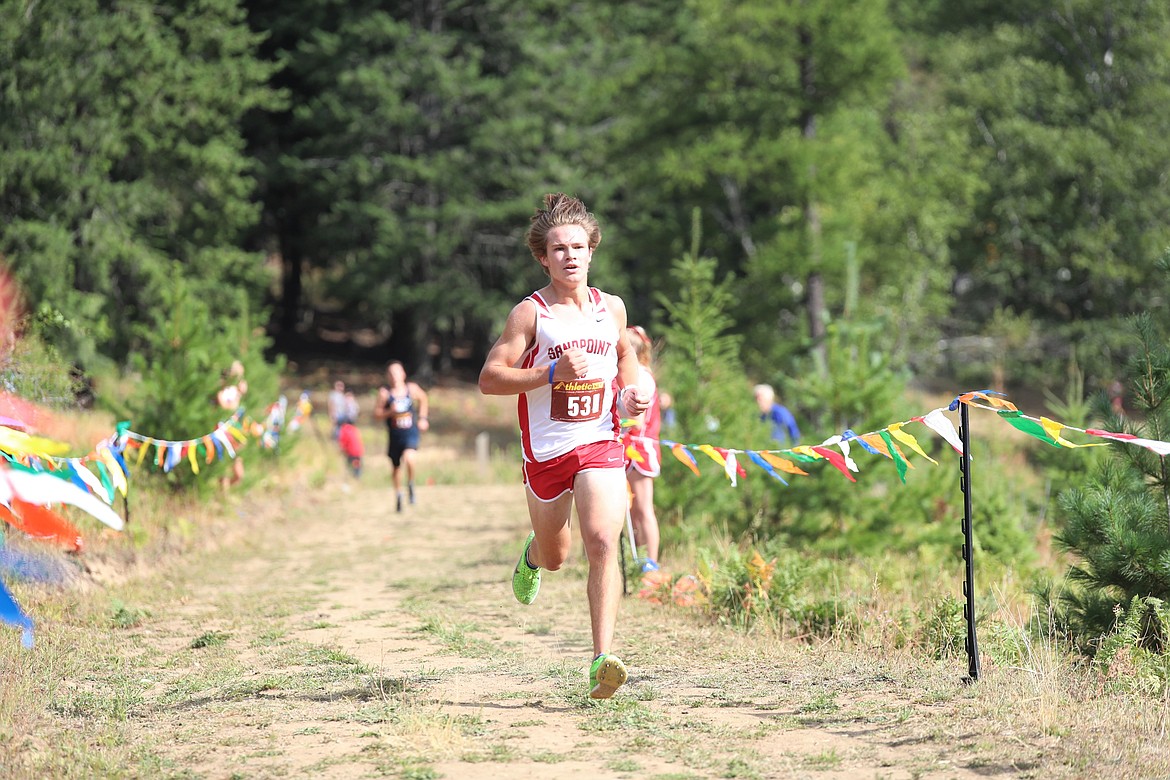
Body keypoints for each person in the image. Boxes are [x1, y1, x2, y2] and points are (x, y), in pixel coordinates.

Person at [478, 192, 649, 700]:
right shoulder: (530, 315)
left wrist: (636, 391)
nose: (570, 256)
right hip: (547, 453)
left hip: (599, 439)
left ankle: (602, 660)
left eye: (578, 246)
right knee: (558, 554)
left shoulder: (611, 309)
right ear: (543, 257)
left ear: (592, 251)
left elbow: (628, 356)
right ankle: (533, 554)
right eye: (559, 249)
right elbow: (489, 378)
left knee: (602, 540)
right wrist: (549, 372)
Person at [623, 326, 663, 572]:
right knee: (632, 509)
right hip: (628, 449)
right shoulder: (632, 374)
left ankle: (651, 564)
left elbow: (635, 420)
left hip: (639, 448)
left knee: (644, 508)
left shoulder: (640, 375)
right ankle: (637, 560)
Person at [374, 361, 429, 512]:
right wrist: (389, 412)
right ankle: (398, 494)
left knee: (410, 459)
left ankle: (411, 483)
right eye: (391, 373)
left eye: (397, 372)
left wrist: (423, 418)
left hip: (410, 433)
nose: (394, 376)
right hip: (395, 436)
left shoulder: (411, 389)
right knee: (396, 467)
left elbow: (423, 398)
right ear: (387, 376)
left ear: (403, 374)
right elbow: (377, 414)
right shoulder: (384, 394)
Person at [216, 360, 248, 488]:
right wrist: (238, 396)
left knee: (239, 473)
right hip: (222, 434)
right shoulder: (221, 388)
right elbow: (225, 407)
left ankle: (224, 494)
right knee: (224, 471)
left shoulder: (235, 390)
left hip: (234, 434)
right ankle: (223, 499)